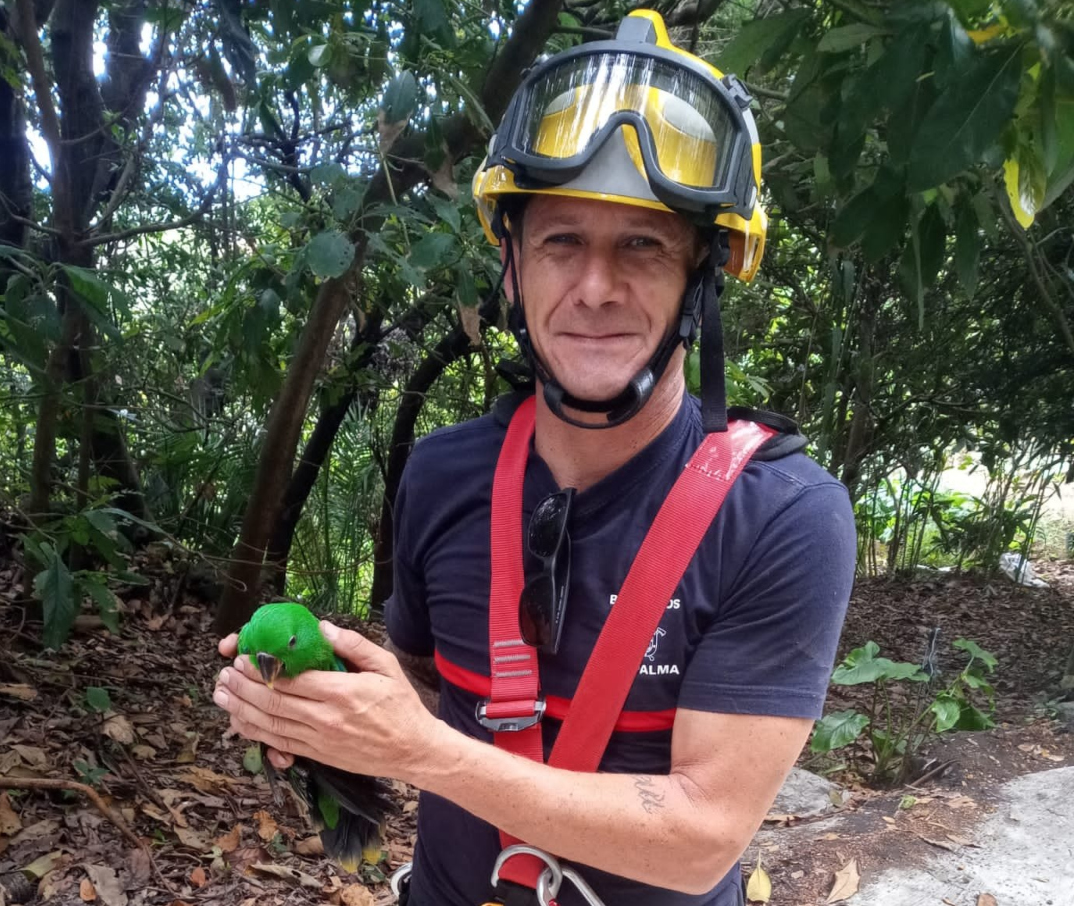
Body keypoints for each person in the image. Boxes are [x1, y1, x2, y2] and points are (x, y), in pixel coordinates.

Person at [214, 10, 856, 906]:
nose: (596, 288)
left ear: (700, 277)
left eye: (643, 244)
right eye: (561, 241)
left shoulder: (783, 515)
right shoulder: (444, 474)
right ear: (511, 267)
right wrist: (329, 706)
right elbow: (437, 695)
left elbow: (701, 840)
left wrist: (419, 752)